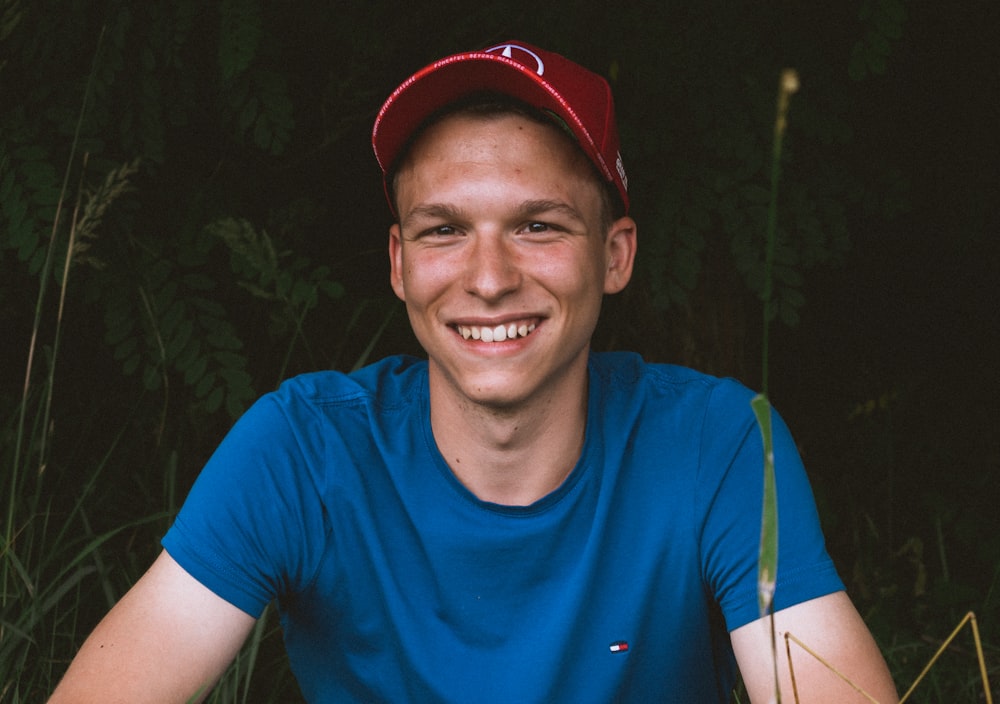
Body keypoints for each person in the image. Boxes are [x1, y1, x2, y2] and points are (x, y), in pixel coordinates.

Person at [48, 41, 898, 703]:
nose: (488, 278)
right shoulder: (303, 451)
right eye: (443, 230)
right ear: (397, 262)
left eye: (537, 226)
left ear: (615, 255)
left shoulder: (715, 443)